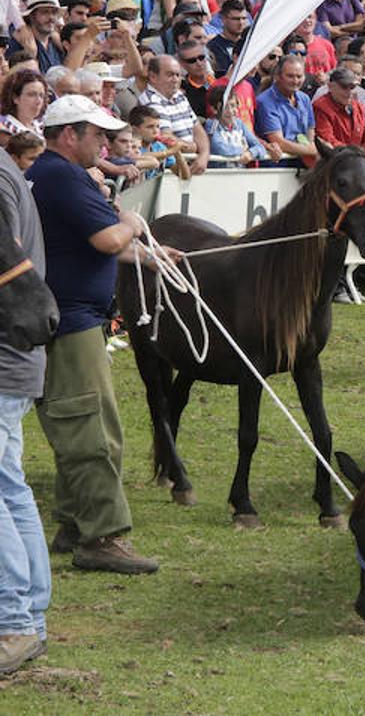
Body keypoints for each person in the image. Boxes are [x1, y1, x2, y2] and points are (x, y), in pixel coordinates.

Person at [29, 95, 165, 573]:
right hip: (71, 324)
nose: (106, 143)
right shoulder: (63, 177)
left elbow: (93, 245)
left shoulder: (51, 174)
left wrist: (151, 254)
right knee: (93, 429)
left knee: (79, 422)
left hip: (65, 319)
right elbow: (109, 237)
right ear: (70, 135)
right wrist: (130, 220)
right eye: (98, 135)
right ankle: (101, 537)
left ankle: (74, 522)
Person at [0, 139, 50, 673]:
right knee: (10, 485)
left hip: (7, 351)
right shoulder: (6, 168)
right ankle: (28, 618)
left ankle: (13, 621)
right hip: (18, 352)